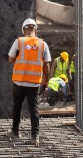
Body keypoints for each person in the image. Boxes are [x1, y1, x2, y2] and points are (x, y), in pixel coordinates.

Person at [7, 17, 51, 145]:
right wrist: (45, 81)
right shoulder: (43, 44)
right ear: (35, 30)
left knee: (17, 106)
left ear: (24, 30)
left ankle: (15, 131)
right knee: (34, 109)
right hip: (34, 83)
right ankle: (35, 136)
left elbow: (10, 59)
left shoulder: (19, 41)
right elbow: (47, 65)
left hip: (19, 82)